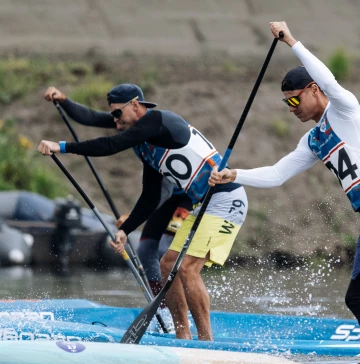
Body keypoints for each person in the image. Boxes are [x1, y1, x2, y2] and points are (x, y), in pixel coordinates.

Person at [209, 22, 360, 364]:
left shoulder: (345, 109)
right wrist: (235, 174)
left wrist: (291, 41)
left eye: (294, 99)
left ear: (313, 90)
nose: (291, 108)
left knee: (358, 298)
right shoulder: (314, 139)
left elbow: (330, 80)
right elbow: (277, 174)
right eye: (286, 103)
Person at [39, 84, 248, 341]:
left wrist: (62, 146)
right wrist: (125, 230)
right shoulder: (146, 146)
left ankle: (207, 342)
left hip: (226, 198)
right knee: (167, 265)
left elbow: (112, 144)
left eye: (117, 114)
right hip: (202, 205)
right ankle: (183, 336)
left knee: (187, 269)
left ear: (135, 105)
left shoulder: (159, 121)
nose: (115, 121)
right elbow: (149, 198)